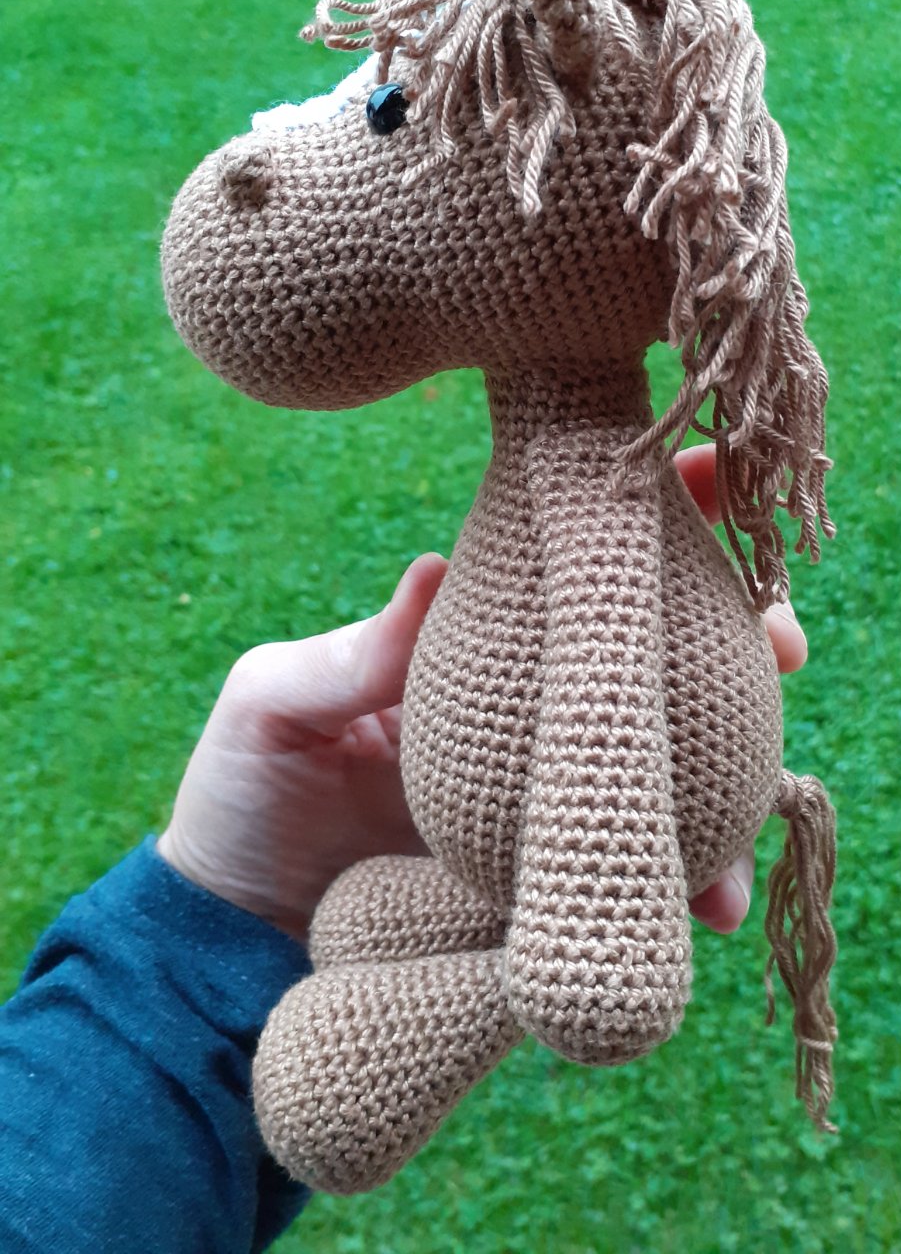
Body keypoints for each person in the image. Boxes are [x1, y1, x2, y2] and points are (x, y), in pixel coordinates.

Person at [0, 447, 808, 1254]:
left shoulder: (584, 476)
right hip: (508, 885)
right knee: (357, 926)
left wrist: (594, 940)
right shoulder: (589, 477)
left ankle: (523, 963)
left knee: (365, 937)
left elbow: (609, 660)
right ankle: (518, 963)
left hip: (548, 892)